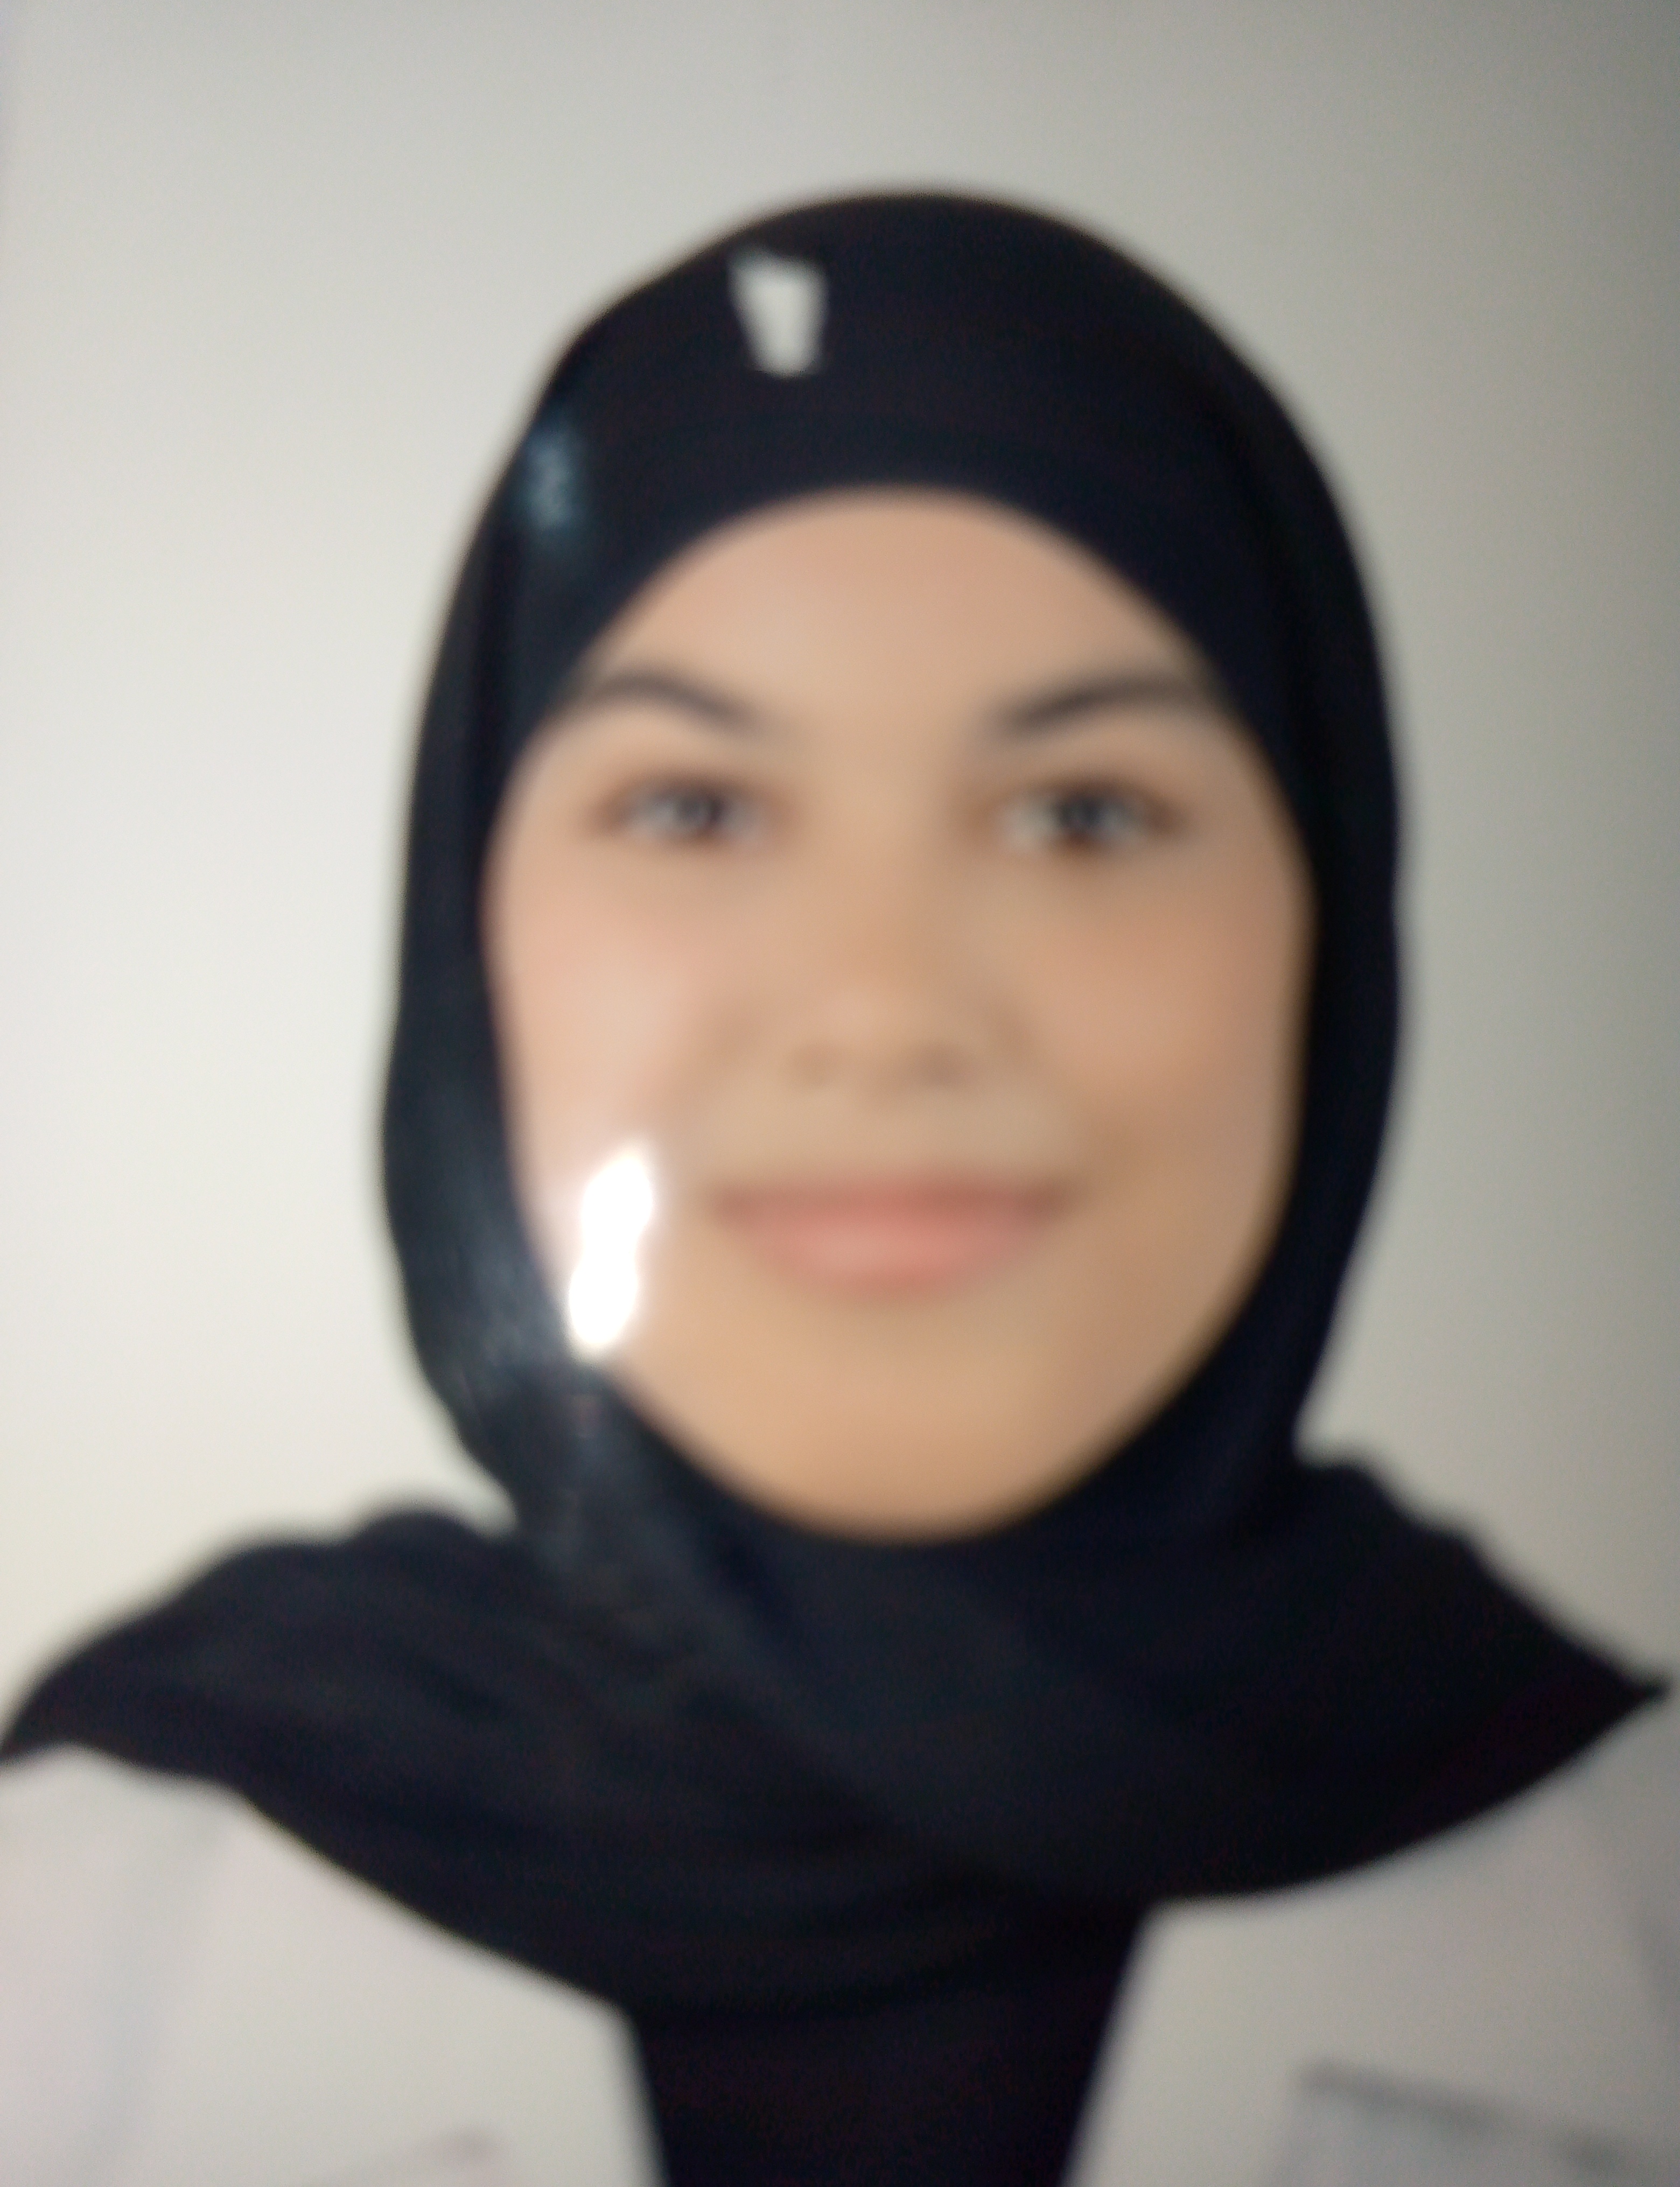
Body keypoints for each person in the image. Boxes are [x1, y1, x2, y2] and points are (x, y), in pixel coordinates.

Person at [1, 193, 1674, 2187]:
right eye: (694, 806)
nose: (883, 1010)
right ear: (469, 944)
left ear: (1328, 939)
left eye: (1084, 814)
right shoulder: (78, 1929)